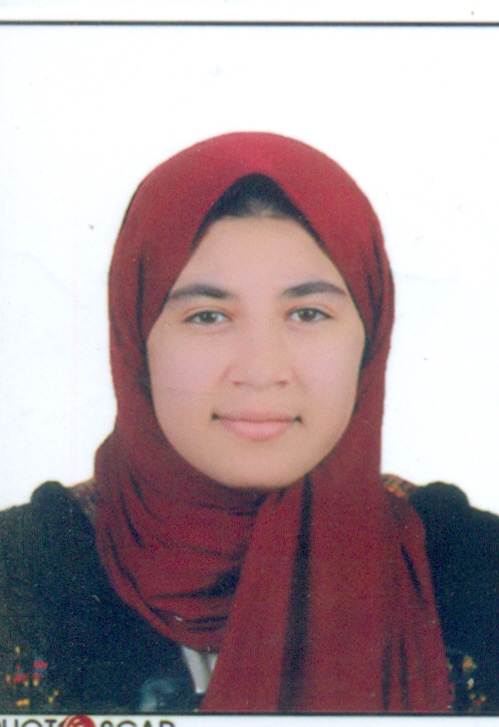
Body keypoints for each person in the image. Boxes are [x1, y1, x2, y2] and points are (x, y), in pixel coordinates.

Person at [1, 132, 498, 715]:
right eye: (208, 316)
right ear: (136, 338)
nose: (262, 371)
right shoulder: (23, 574)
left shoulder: (474, 568)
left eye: (308, 313)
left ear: (369, 338)